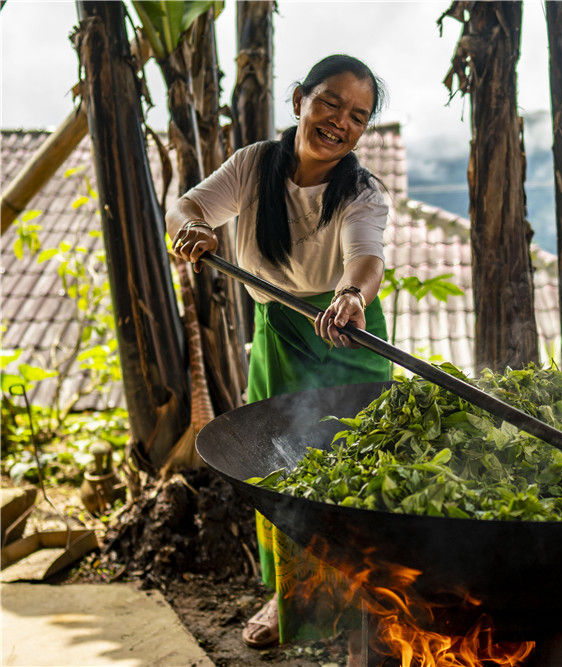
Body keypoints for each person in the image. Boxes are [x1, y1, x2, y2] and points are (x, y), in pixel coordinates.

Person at [167, 54, 392, 650]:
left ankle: (370, 601)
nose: (341, 122)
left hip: (346, 332)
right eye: (330, 103)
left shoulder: (363, 191)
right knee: (279, 472)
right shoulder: (252, 166)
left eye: (358, 116)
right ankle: (289, 596)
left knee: (358, 472)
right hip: (280, 333)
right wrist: (192, 227)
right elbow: (186, 207)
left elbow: (365, 258)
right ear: (299, 100)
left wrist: (350, 296)